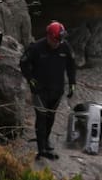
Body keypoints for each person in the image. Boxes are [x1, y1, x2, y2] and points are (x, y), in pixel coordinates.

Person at [21, 21, 76, 160]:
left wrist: (72, 83)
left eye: (60, 40)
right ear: (49, 37)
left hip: (57, 89)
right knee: (41, 118)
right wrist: (30, 79)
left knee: (51, 117)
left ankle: (46, 139)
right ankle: (41, 149)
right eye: (57, 40)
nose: (59, 43)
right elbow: (23, 62)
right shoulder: (36, 48)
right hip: (40, 89)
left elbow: (71, 65)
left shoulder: (65, 47)